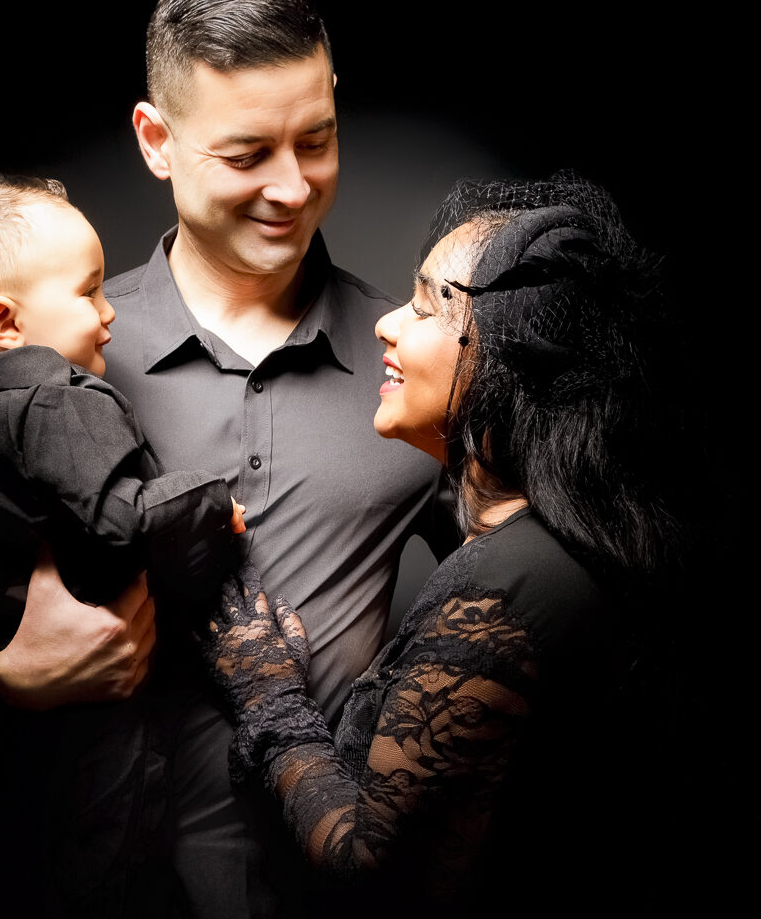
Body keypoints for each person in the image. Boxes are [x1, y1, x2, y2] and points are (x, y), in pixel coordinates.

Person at [0, 0, 459, 918]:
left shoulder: (421, 363)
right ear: (157, 140)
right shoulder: (47, 361)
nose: (291, 187)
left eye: (316, 141)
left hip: (334, 895)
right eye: (246, 154)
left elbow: (524, 593)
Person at [199, 173, 684, 916]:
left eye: (428, 306)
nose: (387, 324)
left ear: (508, 357)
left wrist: (271, 694)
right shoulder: (536, 546)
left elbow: (367, 864)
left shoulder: (509, 586)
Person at [0, 171, 247, 917]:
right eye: (89, 292)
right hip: (99, 713)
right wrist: (210, 501)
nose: (110, 311)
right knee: (111, 866)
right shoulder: (59, 400)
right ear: (4, 321)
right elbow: (120, 520)